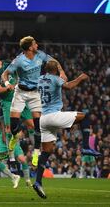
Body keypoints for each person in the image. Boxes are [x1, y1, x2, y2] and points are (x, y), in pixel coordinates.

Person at [32, 61, 101, 199]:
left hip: (43, 119)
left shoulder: (39, 79)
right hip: (54, 116)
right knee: (84, 117)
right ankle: (86, 146)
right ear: (56, 70)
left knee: (46, 152)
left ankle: (38, 181)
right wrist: (81, 77)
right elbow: (69, 86)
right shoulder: (56, 79)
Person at [2, 36, 67, 166]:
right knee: (14, 127)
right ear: (30, 47)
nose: (37, 45)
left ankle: (36, 153)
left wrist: (62, 72)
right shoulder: (19, 60)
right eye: (35, 43)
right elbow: (5, 73)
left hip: (35, 94)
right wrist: (7, 83)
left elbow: (54, 61)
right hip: (20, 93)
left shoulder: (40, 55)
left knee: (38, 126)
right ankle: (14, 137)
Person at [0, 48, 32, 186]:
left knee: (33, 124)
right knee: (9, 129)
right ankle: (10, 158)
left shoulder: (8, 64)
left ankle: (37, 150)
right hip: (7, 102)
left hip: (20, 98)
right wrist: (9, 87)